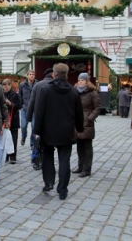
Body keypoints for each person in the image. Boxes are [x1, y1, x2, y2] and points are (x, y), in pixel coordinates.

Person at [34, 63, 84, 200]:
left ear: (54, 74)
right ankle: (62, 189)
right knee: (64, 160)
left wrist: (36, 130)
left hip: (48, 131)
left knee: (48, 158)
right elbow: (79, 113)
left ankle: (49, 182)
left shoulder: (45, 89)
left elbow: (39, 112)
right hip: (66, 131)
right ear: (66, 74)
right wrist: (80, 129)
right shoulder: (74, 91)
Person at [72, 73, 100, 178]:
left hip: (87, 123)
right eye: (79, 80)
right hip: (77, 122)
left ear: (87, 81)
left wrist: (90, 118)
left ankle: (87, 169)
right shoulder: (75, 92)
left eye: (82, 80)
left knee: (87, 147)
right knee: (79, 146)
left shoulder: (92, 93)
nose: (80, 82)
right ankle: (80, 166)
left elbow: (97, 108)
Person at [2, 79, 21, 164]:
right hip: (4, 120)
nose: (5, 87)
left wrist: (10, 104)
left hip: (13, 120)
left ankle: (13, 157)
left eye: (6, 85)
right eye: (4, 85)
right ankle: (5, 156)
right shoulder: (1, 94)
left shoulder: (15, 95)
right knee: (4, 138)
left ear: (10, 86)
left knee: (13, 139)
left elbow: (19, 105)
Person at [19, 70, 37, 147]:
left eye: (33, 74)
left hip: (34, 109)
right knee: (23, 125)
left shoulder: (37, 84)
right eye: (30, 74)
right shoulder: (22, 84)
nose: (32, 76)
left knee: (34, 126)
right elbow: (20, 95)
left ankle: (32, 143)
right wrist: (21, 105)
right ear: (27, 75)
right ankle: (23, 136)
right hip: (25, 108)